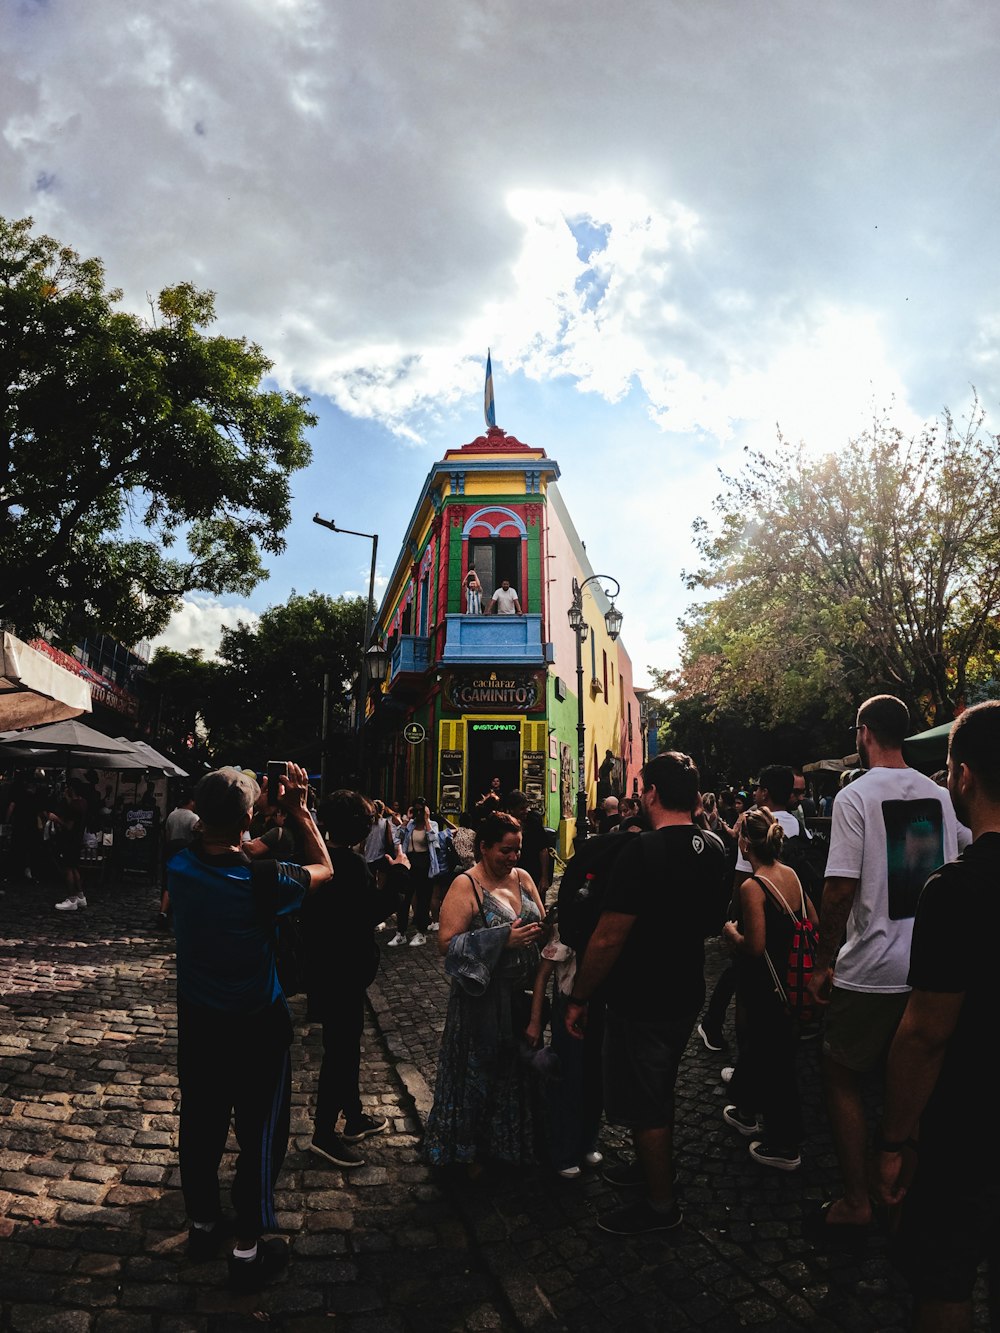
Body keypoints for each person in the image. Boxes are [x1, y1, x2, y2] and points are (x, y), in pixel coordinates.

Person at [167, 763, 332, 1292]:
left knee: (201, 1122)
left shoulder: (180, 868)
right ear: (245, 819)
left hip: (199, 1020)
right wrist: (301, 813)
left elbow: (229, 851)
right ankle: (247, 1249)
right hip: (257, 1023)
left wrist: (255, 829)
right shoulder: (265, 880)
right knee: (260, 1133)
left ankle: (202, 1225)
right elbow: (324, 868)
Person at [805, 695, 962, 1245]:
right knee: (913, 1090)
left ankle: (856, 1200)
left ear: (864, 733)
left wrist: (822, 963)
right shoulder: (942, 795)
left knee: (841, 1076)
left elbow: (840, 885)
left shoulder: (855, 796)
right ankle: (902, 1200)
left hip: (871, 967)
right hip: (932, 967)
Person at [564, 752, 729, 1236]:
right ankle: (649, 1169)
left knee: (646, 1100)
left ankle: (660, 1205)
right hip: (686, 985)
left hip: (643, 994)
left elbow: (609, 935)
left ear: (651, 793)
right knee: (657, 1086)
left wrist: (579, 996)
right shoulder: (717, 846)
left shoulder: (643, 851)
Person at [875, 702, 1000, 1331]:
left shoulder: (955, 890)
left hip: (970, 1122)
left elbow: (925, 1034)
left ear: (964, 777)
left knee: (945, 1277)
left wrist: (894, 1141)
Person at [422, 810, 547, 1169]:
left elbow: (539, 922)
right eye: (505, 851)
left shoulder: (523, 878)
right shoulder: (466, 884)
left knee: (514, 1073)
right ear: (484, 847)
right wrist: (502, 939)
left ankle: (507, 1146)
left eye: (517, 850)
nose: (512, 858)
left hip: (521, 999)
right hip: (480, 1005)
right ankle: (468, 1150)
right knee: (479, 1075)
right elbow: (446, 945)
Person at [304, 790, 407, 1169]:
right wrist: (399, 873)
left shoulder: (322, 859)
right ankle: (324, 1133)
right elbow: (374, 910)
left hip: (327, 965)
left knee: (346, 1046)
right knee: (341, 1052)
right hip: (342, 971)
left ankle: (354, 1116)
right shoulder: (347, 863)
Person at [720, 809, 818, 1171]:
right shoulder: (789, 874)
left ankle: (785, 1143)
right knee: (765, 1049)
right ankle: (745, 1107)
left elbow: (755, 945)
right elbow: (814, 921)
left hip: (766, 985)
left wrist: (732, 934)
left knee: (773, 1058)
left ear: (745, 842)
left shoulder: (753, 886)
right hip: (793, 979)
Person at [390, 798, 441, 947]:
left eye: (420, 810)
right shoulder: (410, 825)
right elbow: (397, 838)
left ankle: (421, 932)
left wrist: (426, 821)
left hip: (424, 864)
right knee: (404, 899)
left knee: (423, 899)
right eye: (415, 809)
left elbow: (434, 842)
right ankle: (401, 932)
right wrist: (406, 820)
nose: (417, 813)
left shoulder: (432, 825)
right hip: (410, 862)